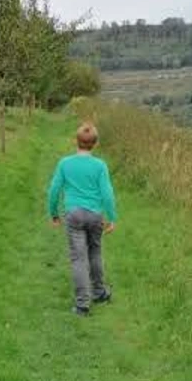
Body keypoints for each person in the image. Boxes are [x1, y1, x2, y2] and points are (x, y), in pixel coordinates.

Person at [47, 122, 118, 316]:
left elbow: (54, 190)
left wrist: (53, 213)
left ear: (76, 141)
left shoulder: (65, 163)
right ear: (95, 144)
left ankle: (82, 305)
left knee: (79, 258)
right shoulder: (100, 166)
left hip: (74, 215)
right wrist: (112, 217)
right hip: (95, 215)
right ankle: (99, 292)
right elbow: (107, 193)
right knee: (95, 253)